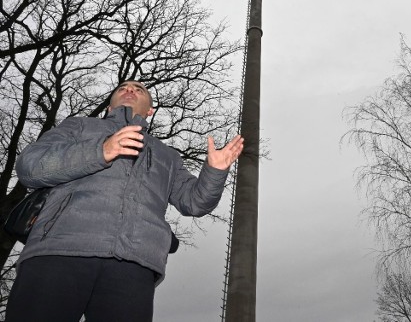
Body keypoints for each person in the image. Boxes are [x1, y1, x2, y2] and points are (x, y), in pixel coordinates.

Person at [6, 80, 244, 322]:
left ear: (150, 110)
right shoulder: (79, 126)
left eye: (139, 89)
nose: (130, 90)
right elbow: (30, 167)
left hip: (134, 264)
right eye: (123, 88)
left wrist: (214, 171)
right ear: (109, 106)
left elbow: (195, 202)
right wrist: (101, 150)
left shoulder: (167, 156)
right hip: (59, 249)